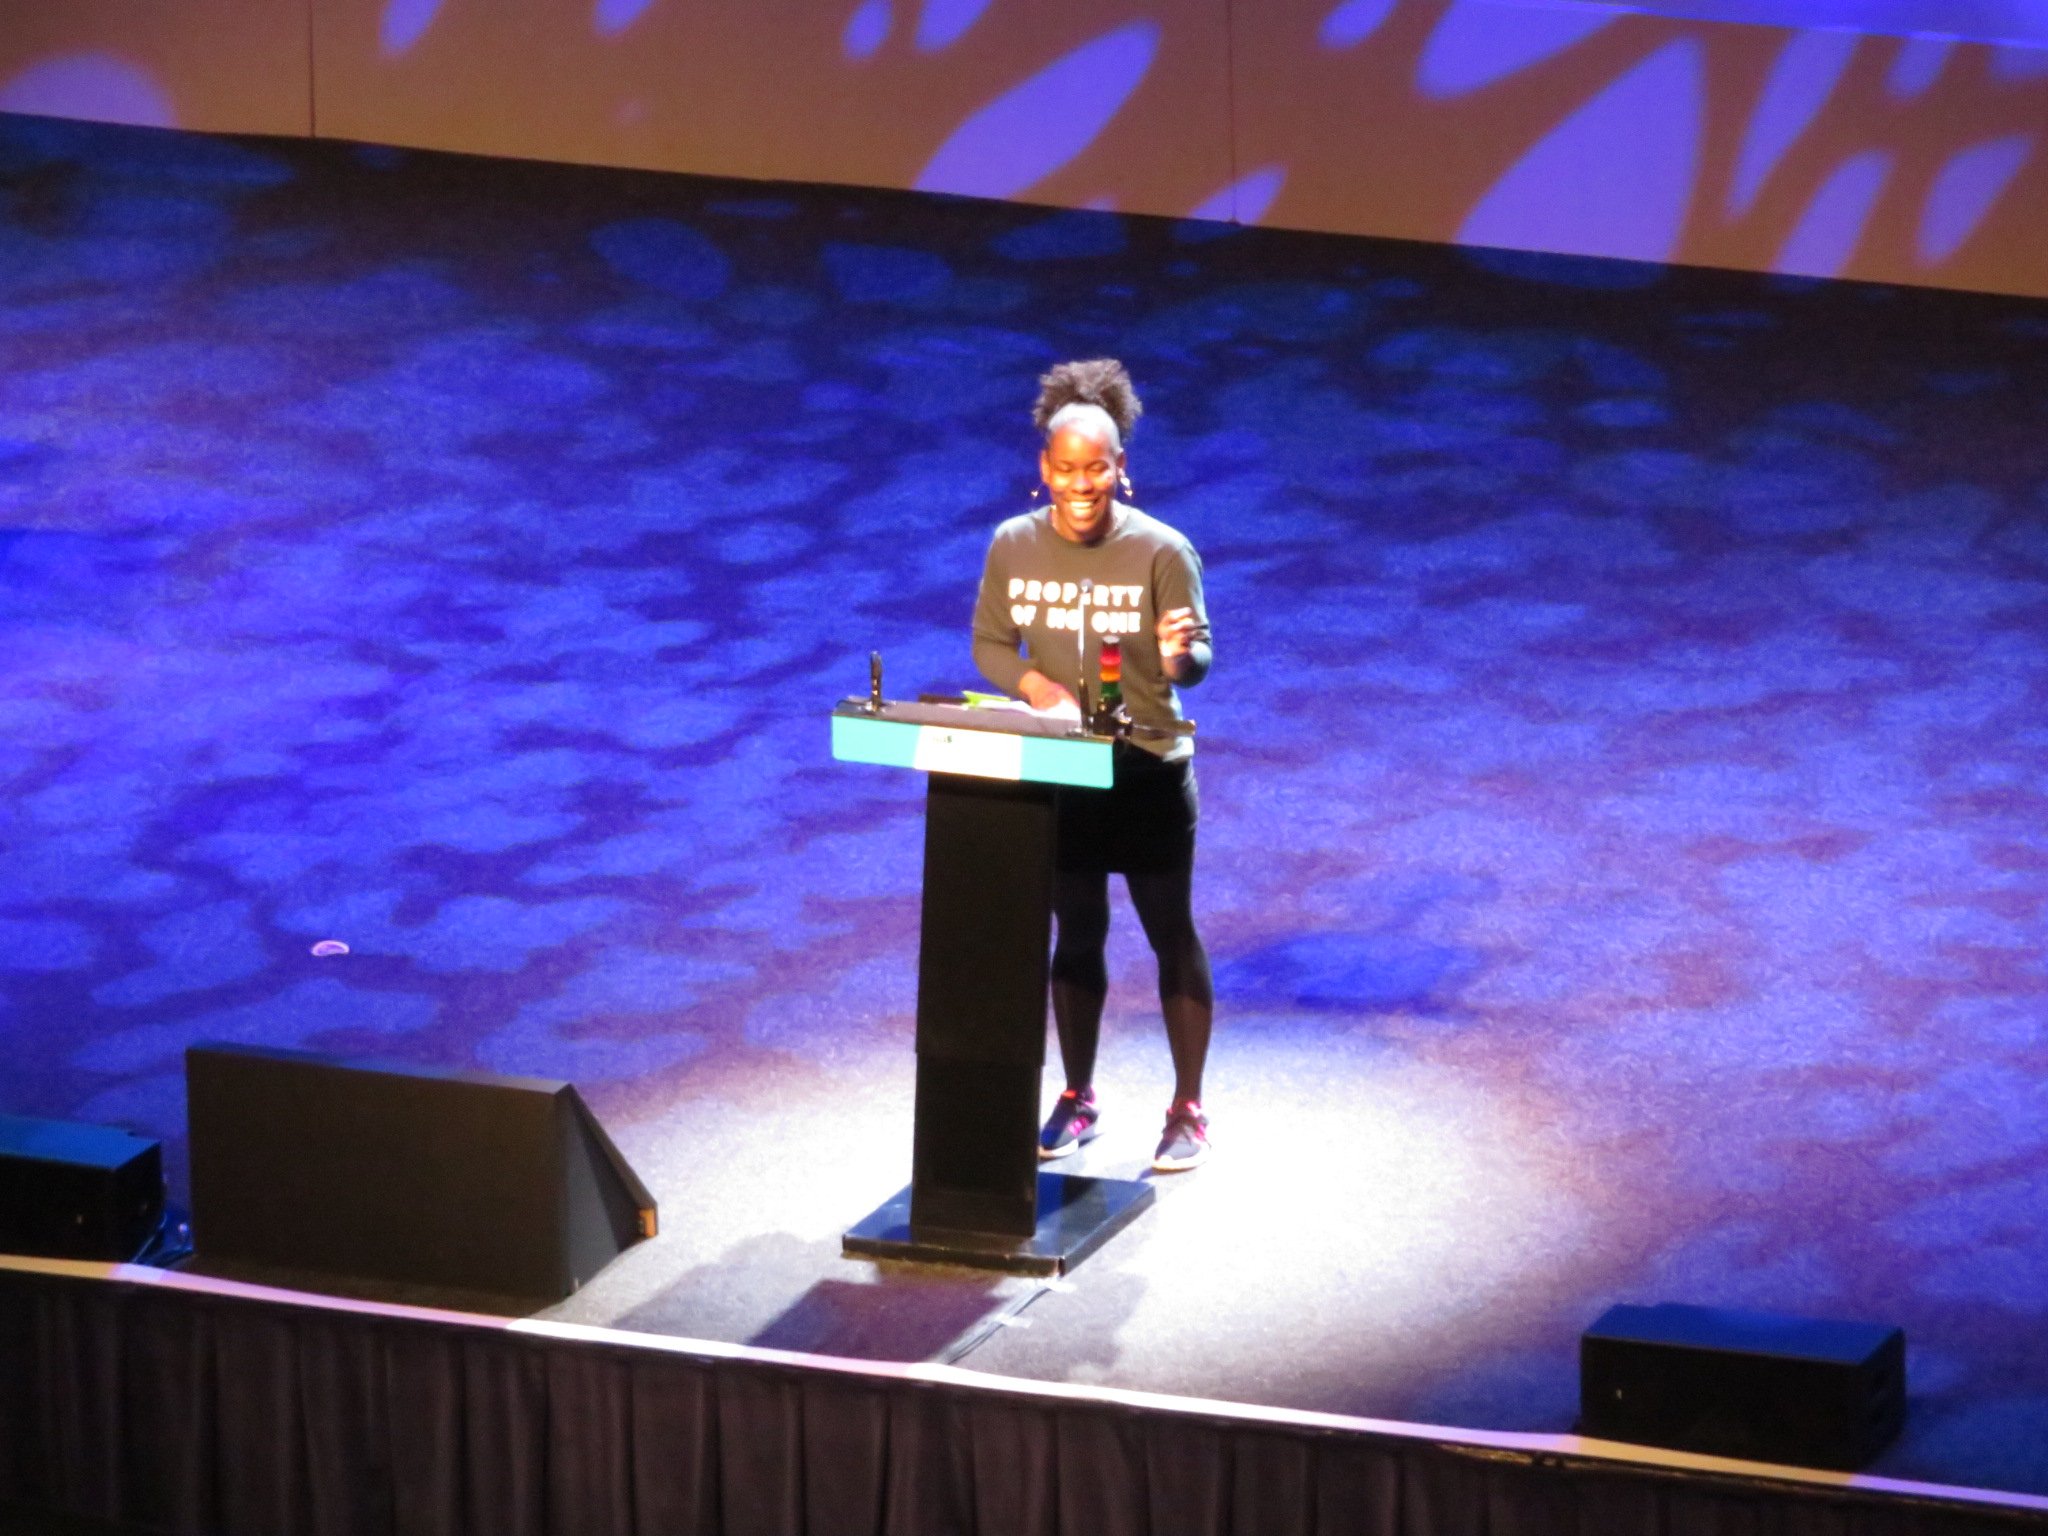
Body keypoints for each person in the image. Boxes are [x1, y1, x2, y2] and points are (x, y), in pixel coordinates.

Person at [970, 358, 1216, 1172]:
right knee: (1076, 933)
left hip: (1146, 770)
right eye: (1066, 469)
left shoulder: (1162, 552)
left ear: (1121, 469)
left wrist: (1181, 660)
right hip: (1063, 771)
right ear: (1044, 470)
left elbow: (1195, 662)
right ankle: (1078, 1097)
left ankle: (1188, 1109)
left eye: (1097, 469)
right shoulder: (1012, 545)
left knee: (1168, 934)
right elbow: (992, 644)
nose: (1081, 486)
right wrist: (1038, 686)